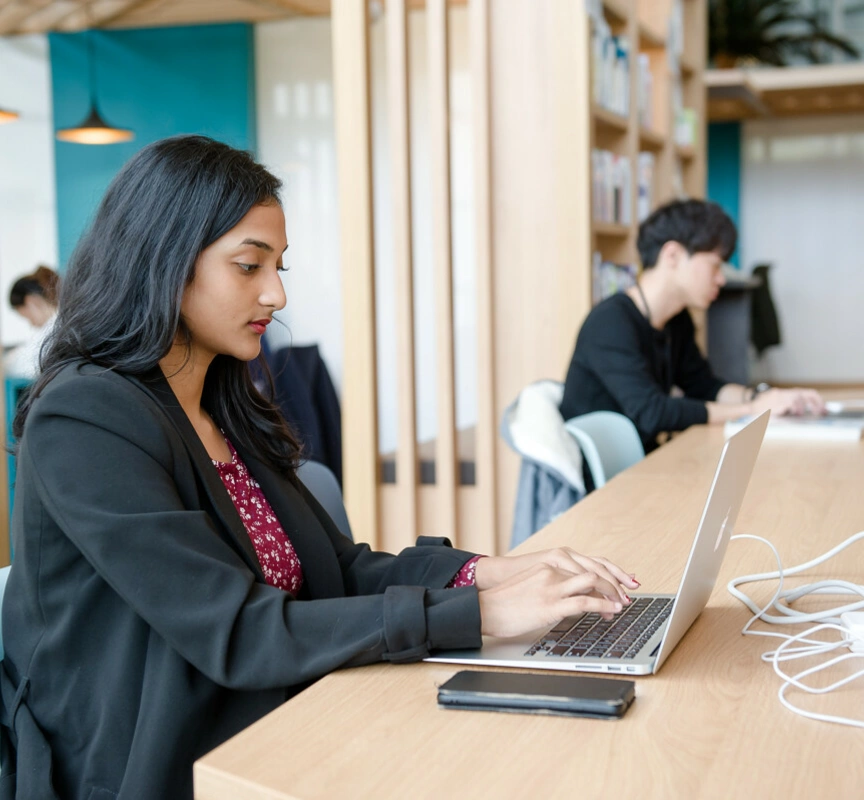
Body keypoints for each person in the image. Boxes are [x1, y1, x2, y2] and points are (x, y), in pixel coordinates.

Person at [0, 135, 638, 800]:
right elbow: (239, 630)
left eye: (279, 267)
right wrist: (478, 614)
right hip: (155, 759)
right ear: (163, 262)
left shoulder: (219, 402)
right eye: (249, 267)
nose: (275, 294)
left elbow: (338, 571)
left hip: (271, 715)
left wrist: (492, 573)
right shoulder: (85, 418)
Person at [560, 199, 824, 454]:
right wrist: (753, 409)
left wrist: (766, 398)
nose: (720, 279)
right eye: (715, 265)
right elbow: (653, 413)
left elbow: (705, 386)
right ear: (672, 255)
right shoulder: (609, 323)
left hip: (647, 461)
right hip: (605, 482)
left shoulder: (677, 320)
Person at [4, 265, 60, 379]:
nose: (31, 324)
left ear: (31, 301)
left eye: (28, 317)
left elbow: (27, 366)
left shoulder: (56, 327)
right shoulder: (59, 322)